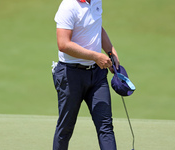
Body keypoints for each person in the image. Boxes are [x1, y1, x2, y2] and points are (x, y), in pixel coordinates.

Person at [52, 0, 119, 149]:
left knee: (105, 126)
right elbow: (63, 44)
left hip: (97, 75)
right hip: (70, 74)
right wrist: (96, 56)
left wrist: (111, 52)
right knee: (66, 128)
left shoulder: (96, 1)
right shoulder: (68, 6)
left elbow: (96, 27)